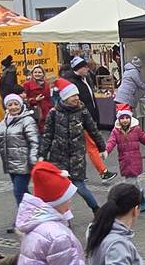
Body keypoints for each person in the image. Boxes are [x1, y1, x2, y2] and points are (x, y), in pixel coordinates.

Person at [43, 81, 105, 213]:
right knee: (59, 189)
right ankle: (63, 216)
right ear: (65, 98)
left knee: (80, 187)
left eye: (77, 95)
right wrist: (42, 155)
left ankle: (96, 210)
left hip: (77, 157)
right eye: (73, 96)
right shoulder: (54, 113)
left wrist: (102, 147)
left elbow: (93, 130)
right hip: (58, 157)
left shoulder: (82, 111)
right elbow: (47, 135)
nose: (76, 98)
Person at [104, 107, 145, 209]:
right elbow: (111, 142)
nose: (125, 120)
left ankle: (133, 203)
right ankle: (142, 199)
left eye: (127, 118)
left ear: (131, 119)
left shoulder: (136, 130)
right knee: (133, 183)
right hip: (124, 161)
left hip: (135, 160)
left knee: (130, 183)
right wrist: (106, 151)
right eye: (122, 118)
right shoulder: (116, 131)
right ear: (119, 120)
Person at [0, 94, 41, 205]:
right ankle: (36, 212)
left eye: (16, 104)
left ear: (21, 105)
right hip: (10, 164)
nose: (13, 107)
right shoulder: (3, 123)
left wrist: (33, 159)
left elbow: (34, 142)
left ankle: (24, 218)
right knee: (23, 192)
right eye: (10, 104)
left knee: (18, 192)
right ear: (6, 107)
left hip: (24, 164)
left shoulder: (27, 121)